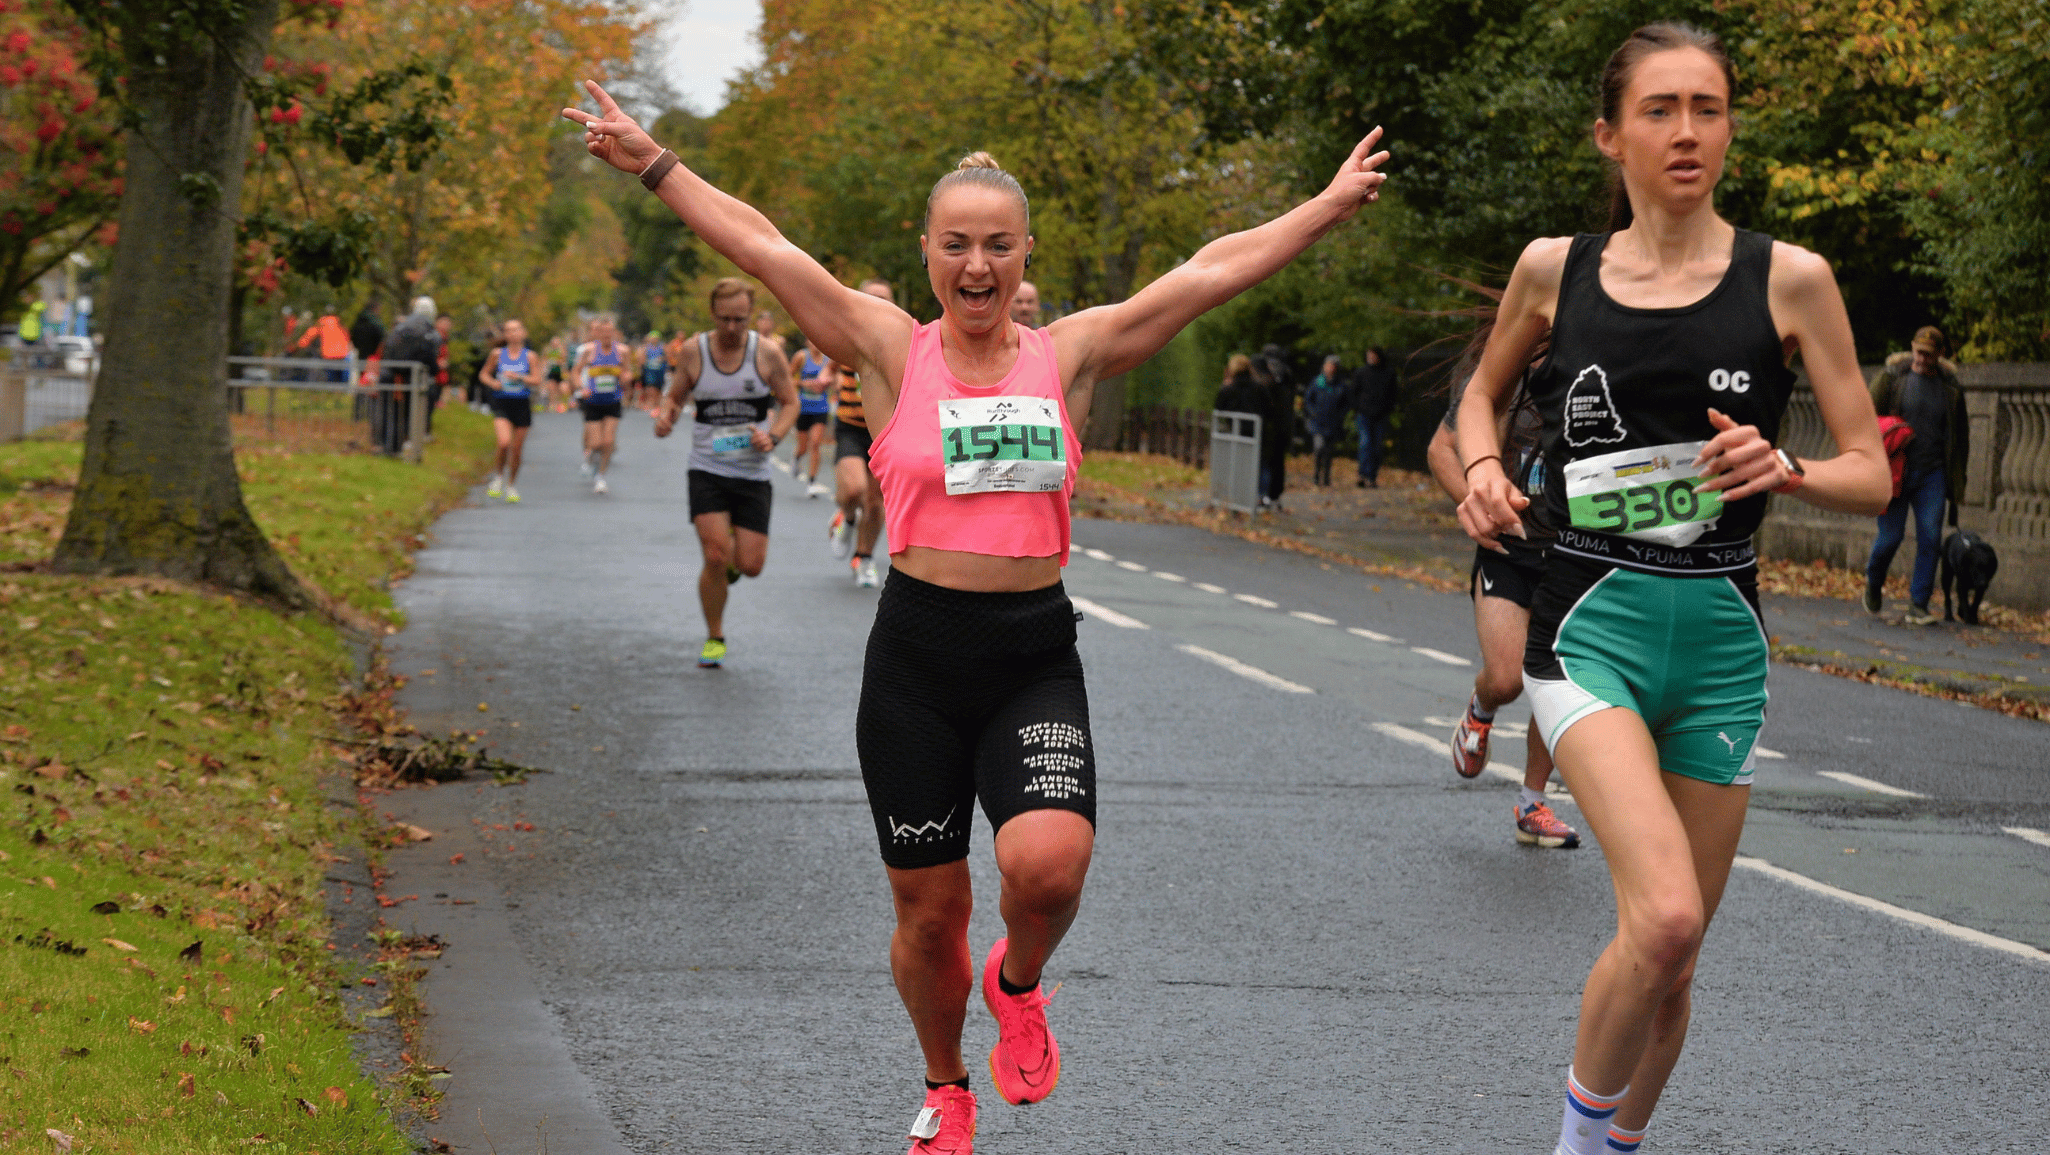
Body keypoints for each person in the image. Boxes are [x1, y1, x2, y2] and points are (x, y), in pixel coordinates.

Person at [566, 78, 1386, 1155]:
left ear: (1024, 251)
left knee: (1046, 870)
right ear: (928, 252)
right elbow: (765, 249)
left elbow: (1207, 272)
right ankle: (947, 1086)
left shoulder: (1070, 355)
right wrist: (656, 163)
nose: (977, 267)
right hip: (914, 659)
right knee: (929, 911)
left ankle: (1020, 982)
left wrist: (1324, 204)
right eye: (956, 245)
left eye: (998, 246)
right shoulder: (887, 347)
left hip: (1030, 653)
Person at [1450, 25, 1888, 1155]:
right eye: (1659, 110)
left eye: (1707, 107)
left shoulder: (1789, 278)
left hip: (1722, 646)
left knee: (1671, 962)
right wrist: (1487, 468)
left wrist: (1784, 467)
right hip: (1589, 629)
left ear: (1729, 127)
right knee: (1667, 915)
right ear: (1611, 134)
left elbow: (1870, 471)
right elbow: (1478, 396)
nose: (1686, 131)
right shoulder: (1557, 268)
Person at [1427, 357, 1579, 849]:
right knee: (1508, 677)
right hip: (1510, 551)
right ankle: (1481, 706)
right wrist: (1475, 508)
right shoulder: (1499, 376)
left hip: (1576, 557)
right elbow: (1441, 449)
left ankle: (1533, 802)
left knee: (1553, 683)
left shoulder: (1602, 364)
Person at [654, 277, 800, 668]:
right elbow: (674, 397)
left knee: (749, 567)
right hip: (708, 468)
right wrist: (665, 417)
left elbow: (789, 403)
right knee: (716, 555)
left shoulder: (766, 353)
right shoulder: (694, 352)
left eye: (740, 319)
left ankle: (732, 555)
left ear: (750, 315)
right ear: (712, 315)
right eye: (725, 320)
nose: (732, 328)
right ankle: (714, 636)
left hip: (752, 474)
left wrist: (774, 436)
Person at [1864, 325, 1967, 626]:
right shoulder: (1893, 378)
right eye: (1918, 352)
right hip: (1896, 470)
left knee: (1931, 538)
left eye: (1928, 355)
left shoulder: (1950, 388)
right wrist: (1892, 435)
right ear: (1911, 347)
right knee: (1890, 537)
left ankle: (1918, 605)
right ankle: (1873, 581)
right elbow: (1866, 418)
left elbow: (1960, 437)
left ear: (1940, 355)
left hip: (1932, 474)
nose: (1921, 359)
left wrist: (1958, 480)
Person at [828, 278, 895, 588]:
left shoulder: (901, 341)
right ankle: (846, 517)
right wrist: (824, 381)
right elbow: (829, 368)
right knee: (854, 490)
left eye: (884, 299)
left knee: (877, 502)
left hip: (884, 431)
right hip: (851, 428)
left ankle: (864, 558)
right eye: (871, 298)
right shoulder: (844, 338)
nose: (877, 305)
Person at [480, 319, 540, 503]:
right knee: (504, 442)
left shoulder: (530, 356)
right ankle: (498, 477)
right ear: (505, 335)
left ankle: (511, 485)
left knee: (517, 450)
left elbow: (537, 379)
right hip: (502, 403)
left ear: (523, 333)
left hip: (521, 404)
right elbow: (483, 374)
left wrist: (520, 377)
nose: (513, 334)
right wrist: (493, 383)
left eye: (516, 330)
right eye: (509, 331)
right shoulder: (497, 354)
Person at [572, 314, 630, 494]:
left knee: (608, 441)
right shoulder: (589, 351)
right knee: (595, 443)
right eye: (603, 332)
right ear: (597, 333)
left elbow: (628, 372)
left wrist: (625, 379)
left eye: (609, 332)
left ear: (614, 333)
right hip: (593, 401)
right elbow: (575, 372)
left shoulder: (622, 351)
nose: (606, 335)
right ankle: (590, 460)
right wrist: (581, 387)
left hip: (613, 401)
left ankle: (601, 477)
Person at [790, 333, 835, 496]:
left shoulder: (829, 360)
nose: (815, 343)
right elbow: (787, 378)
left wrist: (828, 383)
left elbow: (835, 380)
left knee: (815, 443)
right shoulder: (801, 357)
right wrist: (803, 383)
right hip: (803, 408)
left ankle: (812, 482)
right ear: (807, 342)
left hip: (821, 408)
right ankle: (796, 458)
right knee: (803, 447)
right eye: (811, 340)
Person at [1251, 343, 1294, 506]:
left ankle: (1264, 494)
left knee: (1265, 461)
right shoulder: (1286, 373)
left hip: (1270, 424)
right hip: (1283, 423)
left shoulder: (1265, 374)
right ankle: (1275, 494)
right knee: (1277, 461)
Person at [1351, 346, 1397, 487]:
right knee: (1365, 444)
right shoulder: (1361, 373)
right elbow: (1353, 392)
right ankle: (1362, 474)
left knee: (1376, 446)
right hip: (1364, 414)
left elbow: (1392, 394)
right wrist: (1358, 408)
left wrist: (1387, 409)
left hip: (1380, 415)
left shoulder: (1388, 373)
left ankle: (1371, 476)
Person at [1304, 355, 1349, 487]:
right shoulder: (1317, 382)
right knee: (1319, 448)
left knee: (1329, 451)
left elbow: (1346, 403)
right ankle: (1316, 475)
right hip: (1317, 422)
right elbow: (1308, 400)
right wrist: (1313, 412)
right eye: (1329, 365)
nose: (1330, 368)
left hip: (1333, 423)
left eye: (1333, 366)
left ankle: (1326, 477)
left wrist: (1340, 415)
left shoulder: (1341, 385)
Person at [638, 329, 668, 411]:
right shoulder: (646, 347)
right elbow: (642, 358)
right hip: (650, 370)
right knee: (650, 387)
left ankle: (657, 405)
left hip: (660, 371)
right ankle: (651, 404)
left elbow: (668, 357)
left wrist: (661, 359)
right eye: (652, 338)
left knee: (659, 388)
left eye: (655, 338)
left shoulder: (663, 346)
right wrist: (644, 364)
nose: (654, 339)